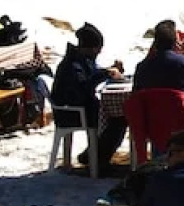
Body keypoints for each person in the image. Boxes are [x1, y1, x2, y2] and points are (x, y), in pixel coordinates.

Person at [50, 23, 128, 174]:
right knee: (118, 120)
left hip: (80, 107)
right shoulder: (73, 65)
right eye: (97, 49)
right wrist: (105, 74)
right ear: (89, 48)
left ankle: (93, 154)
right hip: (71, 112)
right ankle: (98, 158)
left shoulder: (81, 60)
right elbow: (84, 86)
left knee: (116, 118)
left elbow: (91, 75)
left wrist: (108, 70)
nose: (98, 52)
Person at [132, 23, 184, 104]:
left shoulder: (142, 66)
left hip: (152, 115)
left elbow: (135, 96)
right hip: (181, 113)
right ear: (175, 41)